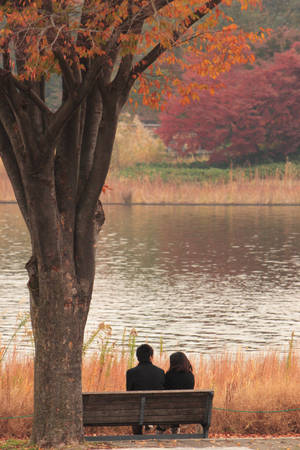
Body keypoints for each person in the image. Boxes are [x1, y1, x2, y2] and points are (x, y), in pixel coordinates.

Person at [126, 344, 165, 434]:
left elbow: (129, 392)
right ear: (151, 357)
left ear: (137, 357)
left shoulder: (131, 372)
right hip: (156, 410)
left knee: (136, 408)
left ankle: (138, 436)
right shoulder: (160, 372)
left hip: (137, 411)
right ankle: (149, 425)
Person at [164, 351, 195, 434]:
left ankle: (165, 430)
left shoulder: (168, 375)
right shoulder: (190, 376)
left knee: (172, 404)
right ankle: (175, 431)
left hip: (170, 410)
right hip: (185, 411)